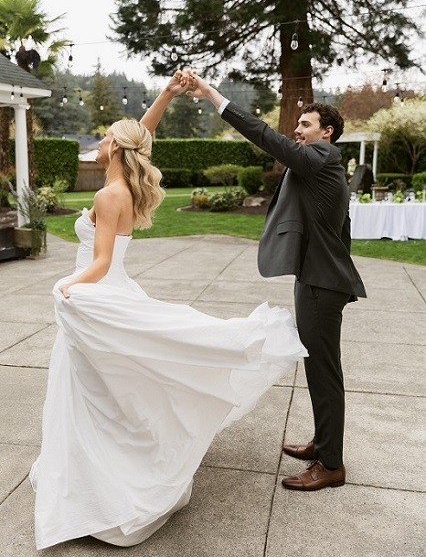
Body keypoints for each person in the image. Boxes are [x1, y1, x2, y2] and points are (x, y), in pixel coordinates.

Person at [29, 72, 308, 550]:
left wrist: (65, 285)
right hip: (107, 292)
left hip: (96, 293)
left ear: (116, 148)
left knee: (93, 391)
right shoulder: (125, 186)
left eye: (104, 138)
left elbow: (99, 262)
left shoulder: (107, 194)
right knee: (104, 388)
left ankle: (103, 481)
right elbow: (141, 135)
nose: (99, 142)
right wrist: (165, 95)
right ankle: (88, 469)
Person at [184, 71, 366, 492]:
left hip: (321, 284)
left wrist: (212, 95)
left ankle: (331, 465)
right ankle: (324, 443)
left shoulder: (323, 156)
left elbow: (266, 137)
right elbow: (342, 228)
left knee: (324, 373)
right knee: (318, 368)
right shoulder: (323, 168)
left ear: (327, 132)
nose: (296, 130)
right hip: (320, 278)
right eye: (298, 124)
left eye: (305, 124)